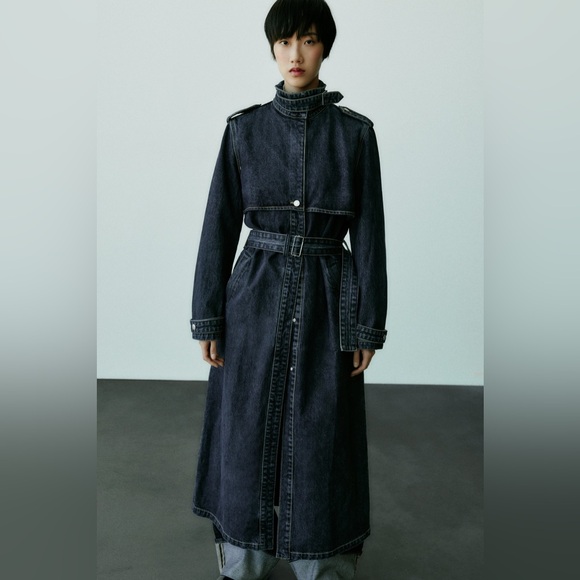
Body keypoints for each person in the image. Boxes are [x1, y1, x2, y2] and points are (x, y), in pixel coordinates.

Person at [189, 1, 387, 578]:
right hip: (254, 295)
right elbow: (218, 226)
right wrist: (207, 316)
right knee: (245, 421)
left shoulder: (355, 135)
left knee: (322, 427)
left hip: (328, 297)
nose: (295, 54)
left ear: (325, 47)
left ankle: (321, 558)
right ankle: (243, 552)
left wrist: (367, 324)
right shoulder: (243, 130)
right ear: (272, 48)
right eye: (284, 42)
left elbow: (370, 235)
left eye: (308, 40)